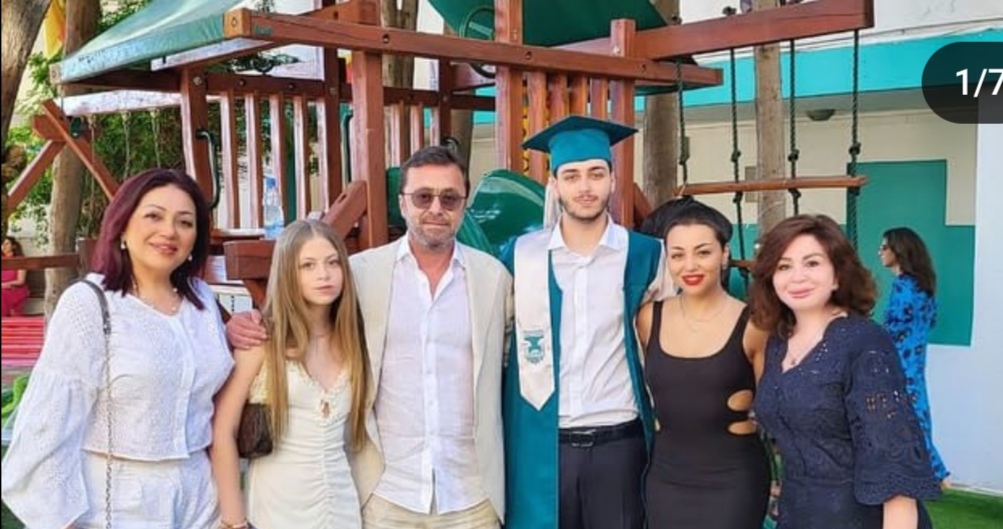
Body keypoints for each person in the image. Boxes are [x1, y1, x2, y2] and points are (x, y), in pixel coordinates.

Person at [226, 146, 512, 529]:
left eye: (449, 198)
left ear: (464, 203)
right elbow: (304, 310)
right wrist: (244, 323)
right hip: (385, 494)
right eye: (423, 197)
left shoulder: (493, 279)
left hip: (471, 497)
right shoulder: (360, 274)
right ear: (402, 202)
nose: (436, 208)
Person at [1, 168, 233, 528]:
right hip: (118, 502)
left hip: (202, 498)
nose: (169, 231)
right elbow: (45, 427)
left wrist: (238, 332)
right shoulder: (90, 303)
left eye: (185, 222)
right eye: (154, 216)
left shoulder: (201, 301)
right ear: (122, 225)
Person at [504, 115, 672, 529]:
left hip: (620, 444)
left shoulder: (647, 255)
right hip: (542, 443)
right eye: (571, 176)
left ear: (613, 179)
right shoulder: (519, 256)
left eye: (596, 174)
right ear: (554, 184)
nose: (585, 187)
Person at [749, 214, 941, 529]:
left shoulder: (863, 342)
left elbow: (896, 466)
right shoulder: (778, 343)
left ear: (837, 275)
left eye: (812, 263)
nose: (797, 277)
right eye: (784, 266)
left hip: (860, 517)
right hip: (799, 513)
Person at [211, 219, 369, 528]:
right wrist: (234, 521)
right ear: (287, 272)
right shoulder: (262, 341)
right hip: (276, 511)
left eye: (333, 262)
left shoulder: (353, 341)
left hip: (340, 509)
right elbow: (222, 432)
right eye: (307, 265)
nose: (323, 274)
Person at [635, 201, 771, 529]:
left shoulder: (755, 325)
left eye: (703, 252)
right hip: (666, 478)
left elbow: (776, 408)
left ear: (724, 254)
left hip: (733, 480)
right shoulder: (648, 318)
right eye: (677, 255)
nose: (690, 265)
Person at [879, 227, 949, 484]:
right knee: (917, 418)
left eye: (884, 247)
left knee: (903, 423)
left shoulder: (903, 287)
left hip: (897, 365)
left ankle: (936, 473)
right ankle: (932, 473)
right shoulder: (923, 288)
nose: (879, 252)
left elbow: (892, 329)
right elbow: (929, 322)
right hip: (915, 364)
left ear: (899, 251)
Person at [1, 236, 31, 316]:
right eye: (2, 244)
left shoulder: (20, 260)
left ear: (13, 246)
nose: (4, 246)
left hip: (16, 288)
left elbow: (21, 281)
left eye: (7, 244)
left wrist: (6, 284)